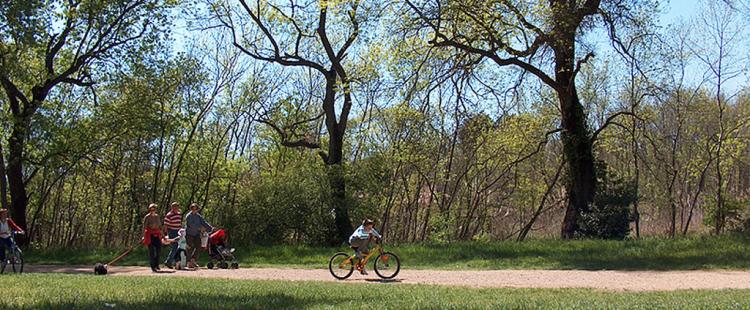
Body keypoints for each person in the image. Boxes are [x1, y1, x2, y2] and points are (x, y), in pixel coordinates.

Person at [184, 203, 212, 268]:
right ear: (191, 209)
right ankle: (188, 262)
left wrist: (211, 228)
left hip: (196, 234)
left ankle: (193, 260)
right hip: (189, 234)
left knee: (199, 247)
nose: (194, 210)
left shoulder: (198, 216)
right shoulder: (188, 216)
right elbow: (191, 225)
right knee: (190, 248)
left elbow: (204, 222)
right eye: (193, 209)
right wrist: (199, 228)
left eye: (196, 209)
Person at [143, 203, 163, 272]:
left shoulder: (157, 217)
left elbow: (160, 227)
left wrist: (163, 235)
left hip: (157, 235)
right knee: (151, 252)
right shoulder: (147, 217)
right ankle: (153, 266)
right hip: (149, 235)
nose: (152, 210)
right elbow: (144, 227)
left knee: (158, 250)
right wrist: (143, 236)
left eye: (154, 209)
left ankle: (156, 264)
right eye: (151, 209)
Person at [163, 202, 182, 268]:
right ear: (172, 207)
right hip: (172, 231)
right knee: (175, 246)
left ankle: (176, 262)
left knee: (178, 247)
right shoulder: (169, 215)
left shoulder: (179, 214)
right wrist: (165, 234)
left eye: (177, 207)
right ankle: (168, 262)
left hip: (178, 232)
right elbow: (165, 225)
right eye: (174, 207)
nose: (176, 208)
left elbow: (179, 223)